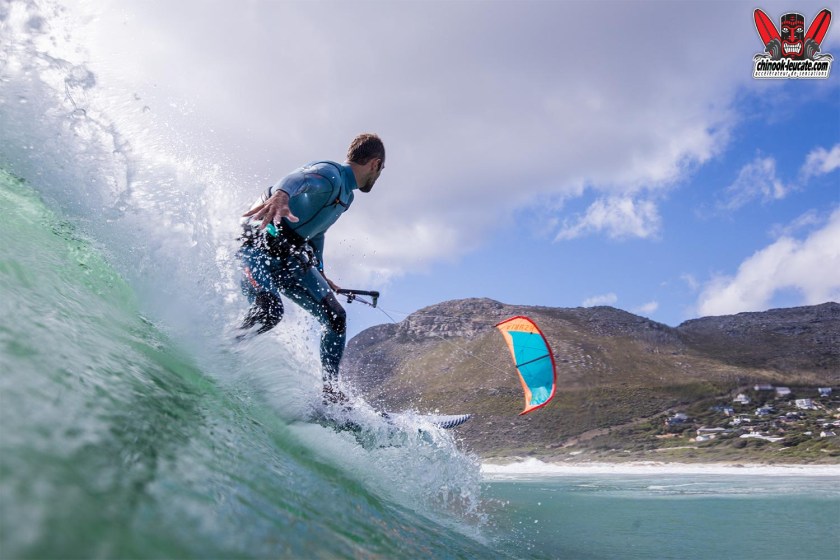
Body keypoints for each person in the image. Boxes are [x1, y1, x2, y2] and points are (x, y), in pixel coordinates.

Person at [238, 133, 385, 403]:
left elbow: (317, 233)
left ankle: (331, 394)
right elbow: (299, 179)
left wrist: (321, 271)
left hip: (289, 257)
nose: (378, 177)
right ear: (375, 164)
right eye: (381, 170)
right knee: (269, 311)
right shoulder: (330, 175)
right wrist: (281, 195)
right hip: (255, 246)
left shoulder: (346, 197)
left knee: (336, 318)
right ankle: (225, 348)